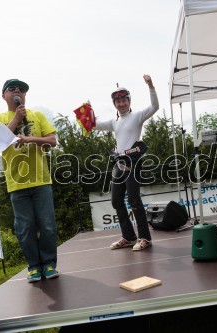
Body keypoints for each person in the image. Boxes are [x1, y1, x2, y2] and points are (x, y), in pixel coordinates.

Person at [0, 79, 59, 282]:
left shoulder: (37, 115)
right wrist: (16, 119)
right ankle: (33, 266)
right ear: (4, 96)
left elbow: (52, 140)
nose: (17, 92)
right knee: (25, 228)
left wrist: (31, 139)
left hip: (41, 181)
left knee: (47, 225)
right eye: (12, 89)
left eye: (21, 90)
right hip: (16, 183)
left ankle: (48, 264)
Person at [93, 75, 159, 251]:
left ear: (129, 101)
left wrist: (151, 86)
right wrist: (86, 113)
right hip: (119, 164)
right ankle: (129, 237)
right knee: (116, 201)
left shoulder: (137, 116)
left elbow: (155, 106)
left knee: (134, 200)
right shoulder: (114, 122)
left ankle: (145, 238)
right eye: (118, 101)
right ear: (114, 104)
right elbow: (94, 125)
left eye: (124, 100)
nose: (121, 104)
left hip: (134, 162)